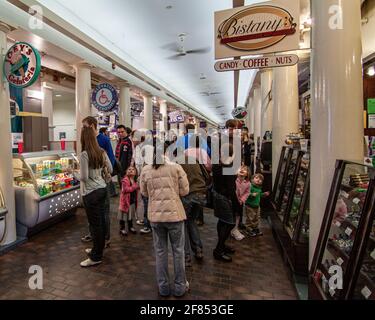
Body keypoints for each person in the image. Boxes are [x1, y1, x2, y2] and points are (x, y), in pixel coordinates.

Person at [140, 140, 190, 297]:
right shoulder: (176, 168)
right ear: (167, 152)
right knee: (178, 251)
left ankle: (163, 287)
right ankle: (180, 287)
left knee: (160, 252)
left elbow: (144, 193)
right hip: (175, 215)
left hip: (155, 216)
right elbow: (185, 191)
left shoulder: (146, 170)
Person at [77, 126, 112, 267]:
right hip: (103, 189)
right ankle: (97, 248)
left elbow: (84, 177)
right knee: (101, 223)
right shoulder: (101, 152)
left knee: (95, 224)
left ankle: (96, 256)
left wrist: (73, 173)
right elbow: (110, 168)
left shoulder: (85, 154)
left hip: (91, 193)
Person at [81, 117, 115, 246]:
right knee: (94, 215)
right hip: (92, 185)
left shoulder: (104, 140)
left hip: (100, 183)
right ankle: (95, 236)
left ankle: (105, 238)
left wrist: (104, 174)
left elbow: (110, 159)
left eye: (85, 126)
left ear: (92, 126)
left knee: (103, 212)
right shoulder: (86, 145)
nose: (83, 129)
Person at [179, 150, 207, 267]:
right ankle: (198, 249)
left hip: (188, 195)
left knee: (183, 224)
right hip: (201, 193)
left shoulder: (177, 163)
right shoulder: (194, 159)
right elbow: (206, 175)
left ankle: (186, 256)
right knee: (192, 222)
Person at [134, 133, 154, 234]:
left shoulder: (144, 148)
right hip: (145, 177)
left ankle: (148, 225)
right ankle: (146, 221)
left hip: (146, 177)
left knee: (146, 201)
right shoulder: (143, 148)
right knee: (145, 200)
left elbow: (144, 163)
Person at [118, 166, 139, 236]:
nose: (131, 170)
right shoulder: (125, 180)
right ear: (126, 172)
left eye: (133, 169)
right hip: (125, 202)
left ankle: (130, 227)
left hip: (132, 201)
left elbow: (138, 188)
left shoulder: (135, 181)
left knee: (130, 216)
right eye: (129, 169)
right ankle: (122, 228)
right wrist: (134, 186)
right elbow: (125, 190)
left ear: (135, 172)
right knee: (123, 216)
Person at [232, 166, 251, 241]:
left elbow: (247, 192)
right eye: (240, 168)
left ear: (247, 174)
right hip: (232, 200)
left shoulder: (248, 183)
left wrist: (242, 200)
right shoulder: (234, 180)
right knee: (232, 214)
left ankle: (235, 228)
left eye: (245, 169)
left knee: (238, 215)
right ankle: (231, 229)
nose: (242, 170)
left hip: (240, 202)